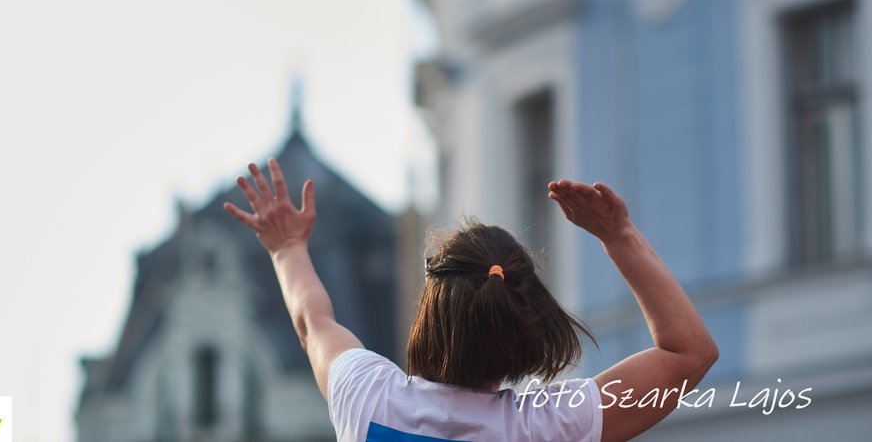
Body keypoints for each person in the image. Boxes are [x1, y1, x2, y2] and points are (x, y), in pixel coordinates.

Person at [224, 158, 719, 442]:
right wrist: (619, 235)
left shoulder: (369, 398)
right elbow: (688, 352)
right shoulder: (550, 426)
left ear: (432, 316)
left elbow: (313, 321)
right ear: (530, 329)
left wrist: (287, 248)